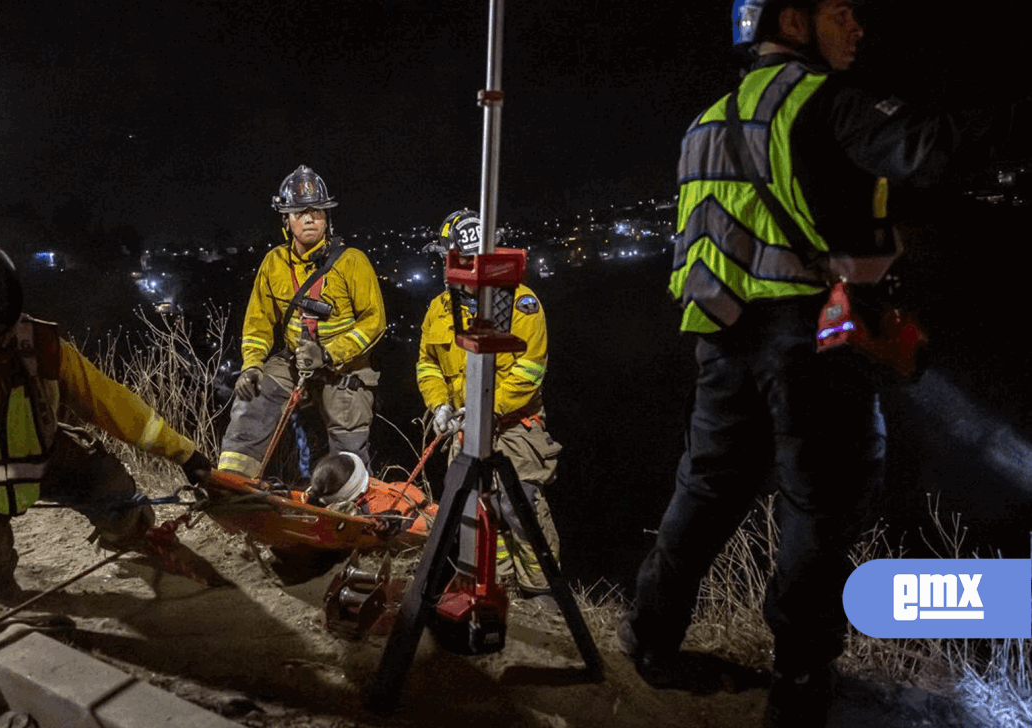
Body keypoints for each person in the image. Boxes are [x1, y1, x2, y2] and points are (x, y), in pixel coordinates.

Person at [620, 1, 1016, 725]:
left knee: (706, 489)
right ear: (795, 23)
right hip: (804, 334)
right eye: (841, 13)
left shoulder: (706, 120)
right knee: (820, 499)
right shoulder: (824, 101)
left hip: (719, 333)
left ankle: (649, 638)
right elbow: (920, 152)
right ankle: (800, 677)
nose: (859, 27)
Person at [0, 246, 213, 598]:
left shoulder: (42, 345)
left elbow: (110, 404)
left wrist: (185, 455)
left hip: (41, 456)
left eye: (0, 331)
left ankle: (129, 537)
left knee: (115, 493)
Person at [417, 209, 563, 611]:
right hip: (463, 427)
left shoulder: (522, 303)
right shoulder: (440, 308)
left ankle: (541, 595)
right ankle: (496, 589)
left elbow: (528, 373)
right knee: (476, 512)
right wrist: (440, 405)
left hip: (513, 428)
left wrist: (482, 408)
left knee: (520, 508)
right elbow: (428, 362)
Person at [218, 165, 385, 479]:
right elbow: (258, 322)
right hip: (294, 360)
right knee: (254, 395)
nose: (309, 219)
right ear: (287, 220)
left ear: (327, 218)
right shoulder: (274, 263)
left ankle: (350, 506)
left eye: (317, 212)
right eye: (300, 213)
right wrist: (252, 364)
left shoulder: (352, 262)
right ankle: (233, 481)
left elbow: (374, 322)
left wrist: (329, 353)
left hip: (343, 368)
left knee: (348, 445)